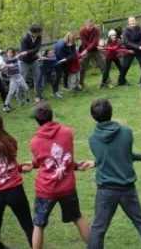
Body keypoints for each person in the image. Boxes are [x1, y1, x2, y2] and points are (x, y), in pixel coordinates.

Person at [86, 98, 141, 249]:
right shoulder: (127, 132)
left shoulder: (92, 139)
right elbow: (124, 154)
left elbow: (108, 156)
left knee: (98, 229)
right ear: (111, 112)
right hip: (127, 188)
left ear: (93, 116)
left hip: (106, 190)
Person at [29, 103, 90, 249]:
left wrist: (33, 163)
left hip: (46, 189)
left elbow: (41, 160)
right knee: (78, 217)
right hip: (67, 187)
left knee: (38, 224)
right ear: (51, 115)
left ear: (37, 120)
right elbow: (65, 156)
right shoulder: (67, 132)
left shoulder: (35, 142)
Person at [0, 115, 34, 249]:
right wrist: (19, 168)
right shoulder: (10, 142)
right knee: (27, 224)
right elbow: (10, 161)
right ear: (2, 125)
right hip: (14, 189)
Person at [19, 24, 44, 103]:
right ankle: (20, 96)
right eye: (39, 32)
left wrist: (27, 52)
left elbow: (37, 49)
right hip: (24, 62)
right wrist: (28, 52)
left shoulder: (39, 37)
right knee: (22, 79)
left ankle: (37, 96)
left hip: (34, 60)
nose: (40, 34)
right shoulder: (24, 38)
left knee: (37, 78)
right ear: (34, 32)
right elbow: (24, 53)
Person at [118, 16, 141, 86]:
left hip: (138, 50)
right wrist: (137, 47)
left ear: (135, 21)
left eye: (133, 20)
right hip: (129, 50)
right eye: (130, 21)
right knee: (125, 66)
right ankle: (121, 81)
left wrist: (137, 48)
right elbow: (127, 42)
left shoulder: (140, 29)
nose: (132, 22)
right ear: (128, 22)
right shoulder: (125, 31)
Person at [79, 19, 106, 86]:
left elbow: (95, 42)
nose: (90, 27)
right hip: (86, 50)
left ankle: (107, 81)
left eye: (92, 26)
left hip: (95, 50)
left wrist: (92, 47)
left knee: (103, 64)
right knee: (82, 67)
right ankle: (80, 83)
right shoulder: (82, 31)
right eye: (89, 26)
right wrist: (87, 50)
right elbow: (84, 42)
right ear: (85, 25)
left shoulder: (96, 29)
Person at [3, 47, 30, 112]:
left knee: (26, 89)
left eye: (11, 52)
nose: (10, 53)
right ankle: (5, 106)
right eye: (8, 52)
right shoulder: (6, 60)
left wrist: (17, 56)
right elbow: (4, 63)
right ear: (7, 53)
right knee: (10, 93)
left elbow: (14, 62)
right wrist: (7, 66)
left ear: (13, 53)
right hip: (13, 79)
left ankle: (27, 100)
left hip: (19, 78)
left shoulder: (15, 59)